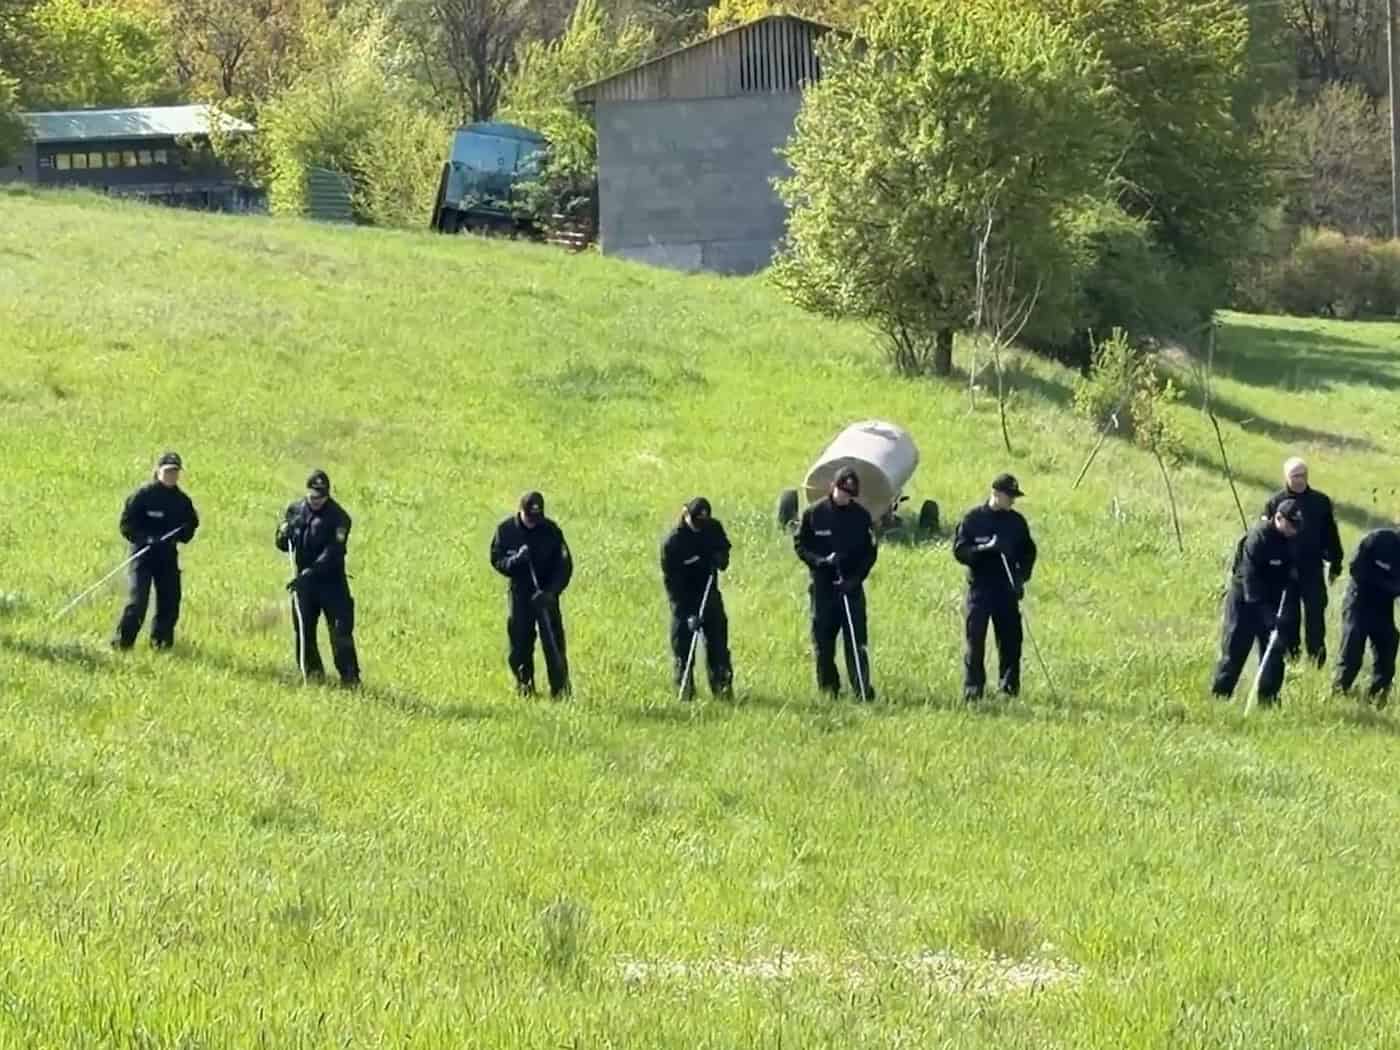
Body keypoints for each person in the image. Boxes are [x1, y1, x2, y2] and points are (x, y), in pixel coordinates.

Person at [794, 466, 878, 700]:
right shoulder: (814, 514)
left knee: (856, 641)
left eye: (849, 494)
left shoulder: (861, 516)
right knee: (824, 642)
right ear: (833, 486)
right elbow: (801, 546)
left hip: (850, 587)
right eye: (842, 491)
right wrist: (821, 563)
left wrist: (855, 579)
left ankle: (861, 688)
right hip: (823, 588)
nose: (845, 497)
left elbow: (870, 554)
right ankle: (829, 689)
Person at [952, 474, 1037, 700]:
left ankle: (1008, 688)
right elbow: (960, 551)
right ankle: (973, 689)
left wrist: (1021, 577)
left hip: (1006, 589)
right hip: (980, 588)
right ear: (995, 494)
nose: (1012, 501)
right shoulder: (973, 519)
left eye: (1014, 497)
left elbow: (1029, 553)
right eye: (1009, 496)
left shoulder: (1017, 523)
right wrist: (984, 549)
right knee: (975, 638)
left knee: (1011, 639)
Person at [1210, 499, 1303, 705]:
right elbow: (1249, 579)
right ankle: (1220, 695)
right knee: (1235, 650)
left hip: (1273, 600)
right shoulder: (1258, 538)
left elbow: (1290, 571)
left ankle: (1268, 699)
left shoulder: (1292, 538)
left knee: (1274, 651)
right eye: (1290, 525)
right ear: (1278, 518)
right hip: (1245, 601)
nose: (1293, 531)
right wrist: (1266, 615)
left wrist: (1292, 581)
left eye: (1296, 526)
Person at [274, 470, 361, 688]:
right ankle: (313, 676)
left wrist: (309, 574)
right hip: (304, 586)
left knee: (340, 632)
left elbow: (334, 552)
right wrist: (283, 534)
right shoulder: (295, 511)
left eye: (320, 497)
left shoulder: (340, 518)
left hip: (332, 584)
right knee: (304, 632)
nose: (316, 501)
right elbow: (285, 544)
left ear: (328, 495)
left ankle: (350, 679)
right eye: (312, 496)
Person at [112, 450, 200, 650]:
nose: (171, 475)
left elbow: (190, 526)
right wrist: (146, 539)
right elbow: (126, 525)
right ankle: (122, 644)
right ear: (158, 471)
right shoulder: (143, 496)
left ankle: (160, 645)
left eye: (175, 472)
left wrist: (185, 531)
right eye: (168, 471)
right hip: (143, 556)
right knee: (138, 603)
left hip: (167, 557)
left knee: (170, 603)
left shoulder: (182, 501)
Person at [490, 491, 574, 697]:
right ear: (521, 511)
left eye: (537, 518)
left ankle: (560, 689)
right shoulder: (506, 531)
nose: (533, 523)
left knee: (554, 643)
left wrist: (552, 592)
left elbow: (565, 566)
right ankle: (525, 686)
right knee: (520, 643)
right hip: (521, 594)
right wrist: (515, 561)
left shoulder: (551, 531)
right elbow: (497, 560)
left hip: (546, 595)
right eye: (530, 518)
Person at [1263, 457, 1344, 667]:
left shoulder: (1320, 502)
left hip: (1312, 569)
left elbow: (1331, 535)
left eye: (1303, 475)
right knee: (1288, 618)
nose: (1299, 480)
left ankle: (1316, 659)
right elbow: (1266, 536)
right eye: (1295, 476)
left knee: (1315, 616)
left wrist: (1336, 563)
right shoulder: (1275, 503)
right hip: (1285, 571)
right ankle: (1292, 658)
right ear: (1286, 477)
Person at [661, 497, 733, 700]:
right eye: (696, 521)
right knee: (683, 652)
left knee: (718, 648)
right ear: (686, 515)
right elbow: (672, 585)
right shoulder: (673, 543)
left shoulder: (712, 528)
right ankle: (685, 693)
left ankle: (723, 689)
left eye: (703, 522)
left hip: (709, 595)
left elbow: (724, 547)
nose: (699, 526)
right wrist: (687, 614)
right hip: (683, 600)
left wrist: (721, 558)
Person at [1332, 525, 1400, 704]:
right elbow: (1355, 567)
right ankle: (1339, 692)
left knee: (1389, 642)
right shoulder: (1378, 539)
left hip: (1383, 607)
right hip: (1358, 601)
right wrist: (1389, 585)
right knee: (1353, 644)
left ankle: (1378, 696)